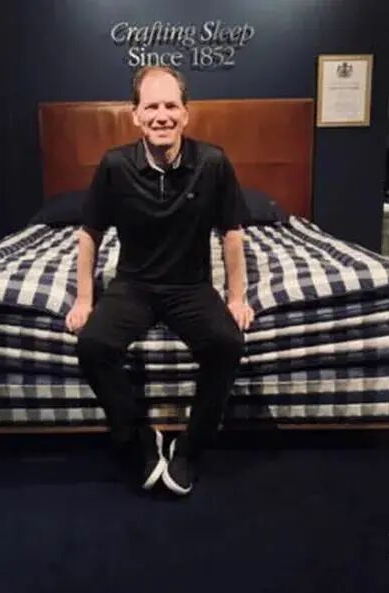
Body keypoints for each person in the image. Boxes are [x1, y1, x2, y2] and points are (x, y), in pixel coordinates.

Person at [65, 65, 254, 496]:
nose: (162, 115)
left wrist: (237, 297)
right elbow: (89, 233)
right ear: (135, 115)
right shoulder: (114, 166)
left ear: (186, 113)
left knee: (228, 344)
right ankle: (138, 438)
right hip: (134, 284)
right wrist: (84, 299)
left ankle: (190, 446)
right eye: (151, 107)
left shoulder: (213, 162)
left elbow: (232, 233)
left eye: (171, 105)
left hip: (191, 286)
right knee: (92, 345)